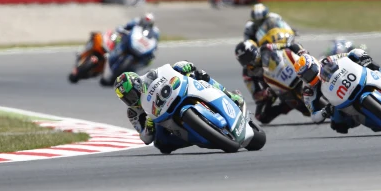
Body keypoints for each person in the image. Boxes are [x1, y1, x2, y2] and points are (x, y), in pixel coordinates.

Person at [114, 61, 245, 154]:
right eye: (126, 99)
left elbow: (168, 71)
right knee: (161, 144)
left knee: (199, 74)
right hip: (162, 119)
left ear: (137, 85)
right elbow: (145, 138)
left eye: (131, 95)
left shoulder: (148, 77)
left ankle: (229, 95)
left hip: (172, 95)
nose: (130, 100)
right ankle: (195, 136)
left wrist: (181, 66)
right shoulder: (133, 112)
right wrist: (148, 127)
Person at [294, 49, 381, 134]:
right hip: (339, 101)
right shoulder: (308, 90)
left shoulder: (327, 61)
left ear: (315, 64)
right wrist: (325, 111)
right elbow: (314, 116)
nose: (310, 76)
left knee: (371, 65)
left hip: (352, 80)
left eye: (311, 71)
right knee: (338, 125)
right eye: (306, 76)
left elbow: (349, 55)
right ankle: (374, 121)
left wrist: (360, 55)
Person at [234, 39, 309, 124]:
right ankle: (287, 106)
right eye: (243, 60)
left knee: (308, 60)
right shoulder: (247, 73)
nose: (247, 61)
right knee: (260, 116)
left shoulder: (267, 48)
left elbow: (290, 44)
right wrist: (265, 93)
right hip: (273, 88)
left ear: (254, 50)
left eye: (247, 56)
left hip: (286, 69)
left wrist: (301, 52)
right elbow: (256, 95)